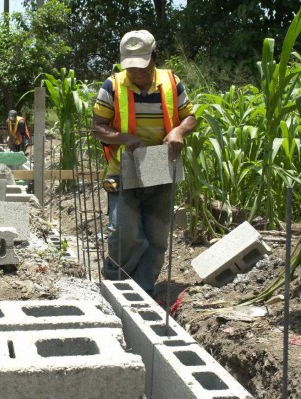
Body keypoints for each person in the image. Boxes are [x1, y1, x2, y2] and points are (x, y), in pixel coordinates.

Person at [91, 30, 197, 297]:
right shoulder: (112, 85)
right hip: (123, 164)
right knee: (123, 230)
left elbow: (190, 118)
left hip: (158, 163)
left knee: (157, 236)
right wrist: (124, 137)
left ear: (154, 57)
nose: (136, 72)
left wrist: (178, 132)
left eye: (142, 65)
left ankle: (143, 290)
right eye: (131, 66)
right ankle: (116, 283)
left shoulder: (172, 82)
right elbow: (97, 127)